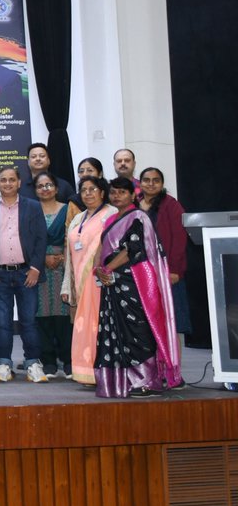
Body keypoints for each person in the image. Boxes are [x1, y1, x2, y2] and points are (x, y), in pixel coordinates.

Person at [93, 178, 183, 397]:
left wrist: (108, 269)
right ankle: (121, 381)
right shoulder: (112, 219)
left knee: (137, 330)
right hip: (112, 283)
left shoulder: (139, 217)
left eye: (122, 192)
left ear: (133, 195)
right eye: (113, 192)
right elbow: (101, 247)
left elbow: (132, 248)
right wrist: (97, 269)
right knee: (115, 331)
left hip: (133, 284)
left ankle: (145, 381)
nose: (116, 196)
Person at [0, 167, 48, 383]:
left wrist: (36, 268)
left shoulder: (33, 207)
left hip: (26, 272)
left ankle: (32, 363)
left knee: (28, 321)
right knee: (2, 322)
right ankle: (3, 364)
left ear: (19, 183)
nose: (8, 183)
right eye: (3, 180)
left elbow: (40, 239)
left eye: (12, 180)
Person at [60, 176, 115, 385]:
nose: (88, 193)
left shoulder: (111, 215)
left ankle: (105, 372)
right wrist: (67, 285)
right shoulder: (78, 218)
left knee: (101, 328)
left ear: (102, 192)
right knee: (84, 329)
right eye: (84, 190)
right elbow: (69, 255)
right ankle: (87, 373)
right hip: (80, 285)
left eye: (93, 189)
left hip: (101, 285)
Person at [33, 170, 78, 378]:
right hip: (37, 269)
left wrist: (62, 258)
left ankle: (69, 362)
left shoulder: (69, 210)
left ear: (56, 188)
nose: (45, 189)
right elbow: (26, 240)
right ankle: (49, 362)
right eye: (40, 186)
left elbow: (77, 237)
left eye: (49, 185)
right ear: (35, 190)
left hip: (63, 267)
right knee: (42, 315)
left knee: (63, 314)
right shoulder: (31, 210)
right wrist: (42, 259)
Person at [139, 167, 191, 339]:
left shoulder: (171, 204)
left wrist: (175, 269)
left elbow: (179, 239)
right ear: (141, 183)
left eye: (156, 180)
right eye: (147, 180)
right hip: (141, 270)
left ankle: (173, 365)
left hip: (166, 270)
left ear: (162, 184)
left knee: (171, 323)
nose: (151, 184)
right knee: (145, 322)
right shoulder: (134, 203)